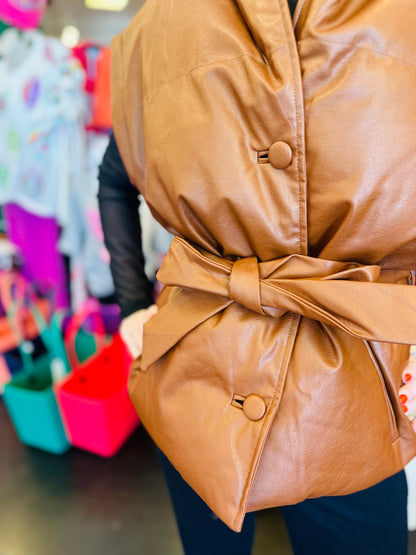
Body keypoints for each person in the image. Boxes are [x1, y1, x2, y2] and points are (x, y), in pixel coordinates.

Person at [99, 0, 416, 553]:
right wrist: (132, 307)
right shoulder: (155, 29)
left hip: (355, 403)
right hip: (197, 387)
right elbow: (114, 177)